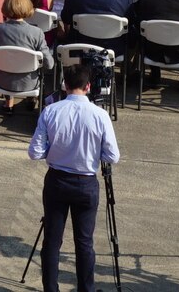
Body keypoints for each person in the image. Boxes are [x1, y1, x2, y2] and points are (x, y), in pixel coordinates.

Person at [28, 62, 120, 292]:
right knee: (84, 243)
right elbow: (112, 155)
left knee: (52, 241)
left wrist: (57, 150)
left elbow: (35, 152)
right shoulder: (100, 115)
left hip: (57, 181)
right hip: (86, 183)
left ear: (65, 86)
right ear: (88, 86)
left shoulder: (51, 110)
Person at [0, 0, 52, 112]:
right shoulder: (36, 32)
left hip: (1, 82)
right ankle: (31, 99)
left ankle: (8, 103)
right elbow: (49, 64)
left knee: (7, 61)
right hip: (29, 84)